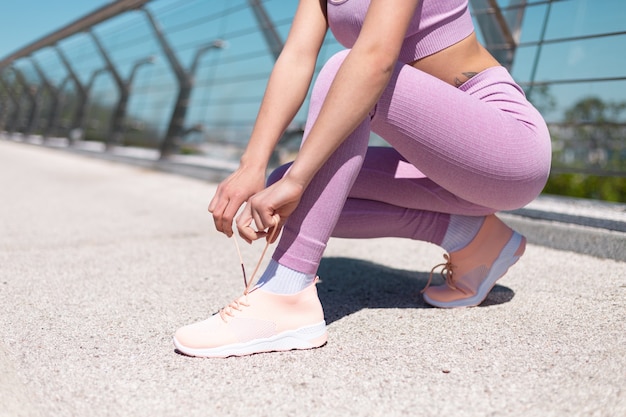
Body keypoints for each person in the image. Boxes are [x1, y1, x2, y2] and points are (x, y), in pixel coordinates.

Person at [173, 0, 551, 358]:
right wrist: (251, 165)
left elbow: (374, 60)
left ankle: (286, 294)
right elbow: (296, 58)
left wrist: (301, 178)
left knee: (344, 75)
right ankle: (472, 238)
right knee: (283, 181)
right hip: (443, 164)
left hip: (507, 149)